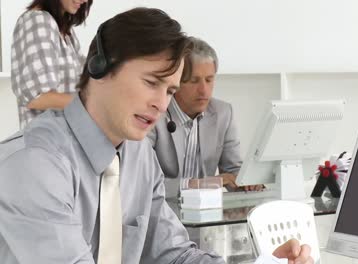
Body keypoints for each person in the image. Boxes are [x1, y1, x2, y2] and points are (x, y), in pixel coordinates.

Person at [0, 7, 313, 264]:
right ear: (100, 69)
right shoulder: (33, 165)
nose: (161, 104)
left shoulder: (138, 155)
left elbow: (172, 254)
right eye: (151, 83)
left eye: (170, 90)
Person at [149, 37, 261, 198]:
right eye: (194, 81)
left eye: (209, 80)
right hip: (158, 212)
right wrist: (200, 185)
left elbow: (232, 172)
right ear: (176, 81)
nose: (204, 90)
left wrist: (246, 183)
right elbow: (143, 182)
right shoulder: (155, 114)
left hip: (204, 214)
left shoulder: (223, 113)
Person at [11, 0, 92, 128]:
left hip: (66, 141)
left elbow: (86, 78)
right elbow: (38, 98)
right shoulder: (37, 21)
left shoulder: (66, 32)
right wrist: (94, 107)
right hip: (48, 142)